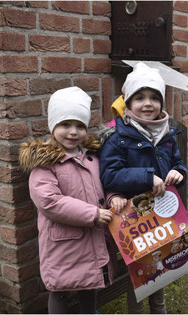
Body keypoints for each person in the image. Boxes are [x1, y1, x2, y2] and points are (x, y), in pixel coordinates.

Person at [99, 62, 188, 314]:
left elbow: (180, 166)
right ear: (127, 103)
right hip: (134, 220)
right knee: (140, 274)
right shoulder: (117, 136)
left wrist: (178, 173)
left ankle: (159, 310)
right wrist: (148, 178)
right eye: (139, 97)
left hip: (161, 216)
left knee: (161, 266)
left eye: (154, 97)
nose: (147, 103)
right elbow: (109, 175)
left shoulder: (167, 135)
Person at [19, 86, 113, 314]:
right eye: (65, 125)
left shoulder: (93, 157)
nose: (73, 132)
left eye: (80, 126)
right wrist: (92, 214)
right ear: (53, 127)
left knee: (89, 283)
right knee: (59, 288)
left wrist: (113, 199)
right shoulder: (45, 163)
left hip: (93, 237)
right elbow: (49, 201)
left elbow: (107, 184)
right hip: (63, 242)